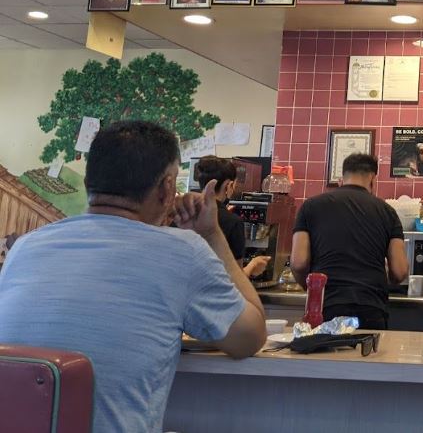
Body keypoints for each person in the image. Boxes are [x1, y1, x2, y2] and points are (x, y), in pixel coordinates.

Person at [0, 121, 266, 432]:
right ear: (168, 189)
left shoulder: (27, 247)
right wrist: (212, 234)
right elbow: (250, 338)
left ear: (88, 183)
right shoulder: (183, 252)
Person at [291, 153, 409, 329]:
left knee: (326, 356)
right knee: (366, 357)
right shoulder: (387, 212)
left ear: (342, 177)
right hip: (371, 307)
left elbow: (299, 263)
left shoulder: (310, 206)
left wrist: (312, 290)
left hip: (326, 306)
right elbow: (399, 272)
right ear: (373, 179)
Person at [194, 155, 270, 278]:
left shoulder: (182, 216)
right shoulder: (232, 222)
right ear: (229, 185)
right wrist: (253, 266)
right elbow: (236, 278)